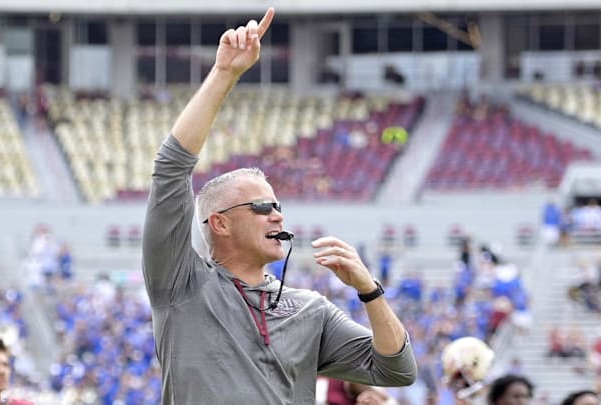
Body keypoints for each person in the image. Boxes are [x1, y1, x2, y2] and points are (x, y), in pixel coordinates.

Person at [142, 7, 416, 404]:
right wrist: (224, 74)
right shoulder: (181, 284)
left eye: (278, 206)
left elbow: (397, 369)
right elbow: (170, 169)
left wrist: (369, 291)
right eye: (261, 206)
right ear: (219, 223)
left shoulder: (310, 309)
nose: (277, 215)